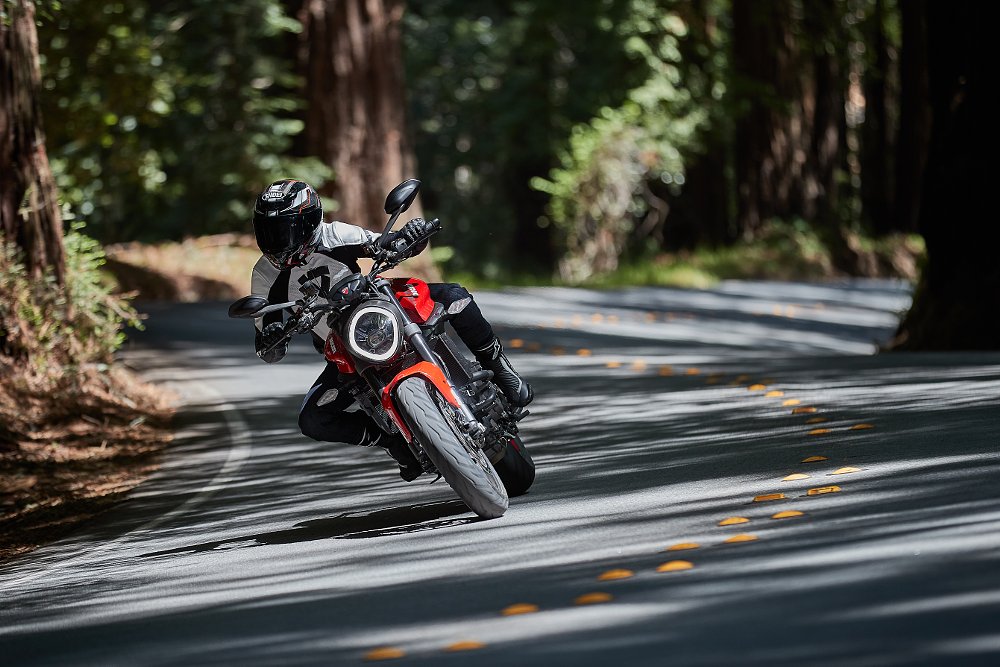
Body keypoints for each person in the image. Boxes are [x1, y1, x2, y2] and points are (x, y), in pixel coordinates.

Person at [248, 179, 532, 480]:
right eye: (268, 231)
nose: (276, 240)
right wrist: (272, 337)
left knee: (454, 296)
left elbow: (384, 244)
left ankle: (501, 370)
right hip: (344, 347)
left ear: (308, 221)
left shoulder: (334, 234)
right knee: (312, 419)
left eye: (284, 230)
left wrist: (411, 236)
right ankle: (395, 443)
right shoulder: (265, 274)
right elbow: (267, 342)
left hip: (378, 309)